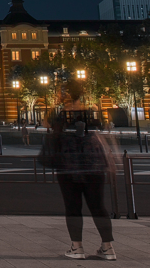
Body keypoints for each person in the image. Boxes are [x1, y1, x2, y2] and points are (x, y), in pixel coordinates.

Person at [40, 112, 116, 261]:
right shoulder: (91, 132)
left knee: (73, 208)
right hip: (94, 170)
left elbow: (47, 158)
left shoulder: (60, 134)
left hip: (69, 171)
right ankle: (108, 248)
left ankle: (77, 247)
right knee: (99, 208)